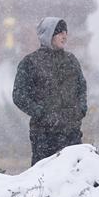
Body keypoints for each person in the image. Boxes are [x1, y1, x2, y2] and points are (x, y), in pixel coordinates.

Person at [12, 17, 88, 165]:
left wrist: (80, 110)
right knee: (45, 178)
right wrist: (41, 113)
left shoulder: (71, 61)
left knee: (74, 177)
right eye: (59, 32)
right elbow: (19, 95)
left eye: (65, 32)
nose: (64, 36)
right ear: (48, 35)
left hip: (71, 132)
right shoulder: (30, 63)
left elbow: (81, 88)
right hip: (44, 135)